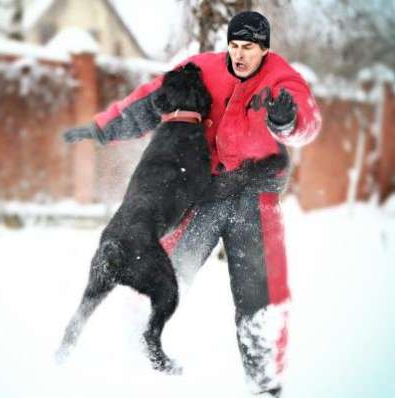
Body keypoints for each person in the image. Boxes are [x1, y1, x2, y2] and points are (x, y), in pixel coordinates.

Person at [63, 10, 321, 398]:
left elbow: (307, 121)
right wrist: (102, 128)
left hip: (256, 196)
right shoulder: (203, 69)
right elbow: (151, 101)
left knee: (261, 296)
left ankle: (265, 384)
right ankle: (138, 357)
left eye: (248, 48)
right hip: (206, 194)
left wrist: (287, 122)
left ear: (264, 49)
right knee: (161, 269)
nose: (239, 55)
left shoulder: (282, 80)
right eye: (234, 46)